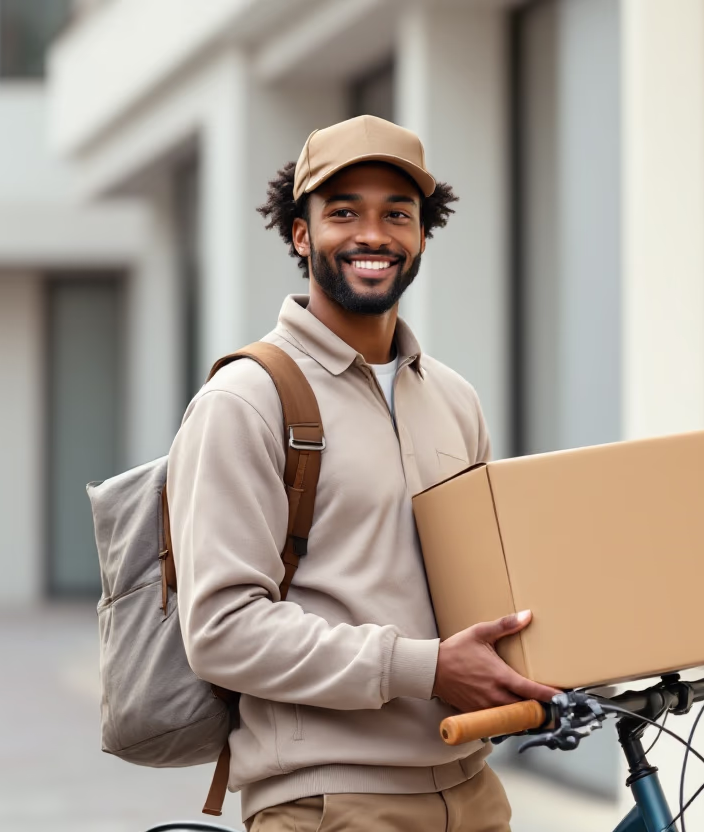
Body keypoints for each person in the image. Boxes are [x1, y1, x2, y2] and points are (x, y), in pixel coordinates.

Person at [167, 115, 557, 832]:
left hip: (472, 787)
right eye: (343, 213)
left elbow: (486, 593)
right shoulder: (245, 400)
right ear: (301, 234)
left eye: (396, 214)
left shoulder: (453, 398)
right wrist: (424, 669)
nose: (373, 235)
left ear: (422, 236)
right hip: (330, 801)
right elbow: (222, 629)